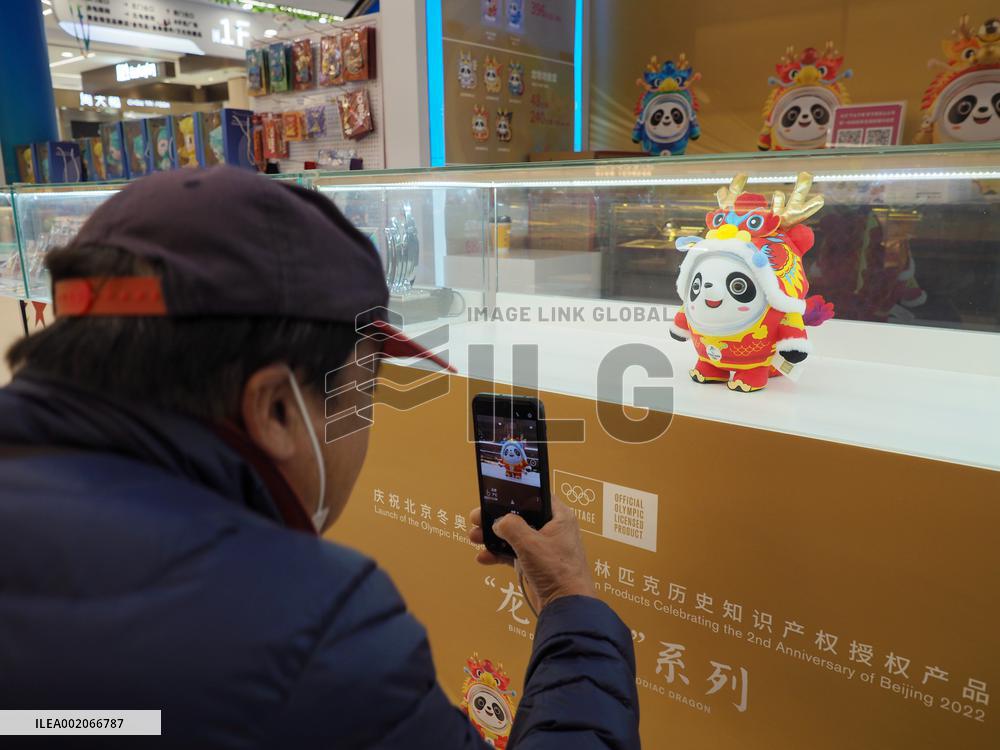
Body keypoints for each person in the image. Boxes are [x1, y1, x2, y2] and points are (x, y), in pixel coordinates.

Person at [0, 167, 639, 748]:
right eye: (365, 394)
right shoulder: (306, 636)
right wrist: (570, 602)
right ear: (278, 408)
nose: (365, 426)